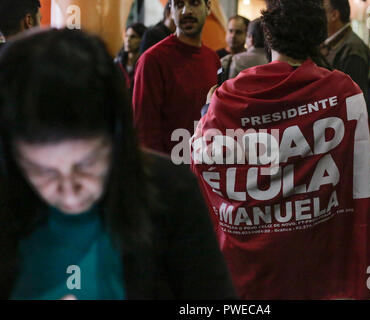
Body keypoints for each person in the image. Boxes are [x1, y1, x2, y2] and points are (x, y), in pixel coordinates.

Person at [0, 28, 235, 300]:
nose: (70, 191)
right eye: (43, 172)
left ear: (117, 143)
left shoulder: (169, 192)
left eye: (87, 164)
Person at [191, 0, 370, 300]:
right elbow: (358, 176)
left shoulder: (228, 96)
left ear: (268, 35)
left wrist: (206, 116)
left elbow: (202, 162)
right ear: (319, 38)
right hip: (315, 250)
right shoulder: (344, 93)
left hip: (250, 260)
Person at [133, 0, 221, 155]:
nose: (186, 11)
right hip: (169, 171)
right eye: (179, 5)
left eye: (194, 3)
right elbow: (144, 130)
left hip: (205, 168)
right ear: (171, 11)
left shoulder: (212, 59)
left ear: (207, 7)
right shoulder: (152, 60)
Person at [321, 0, 370, 118]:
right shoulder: (330, 44)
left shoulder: (352, 48)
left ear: (334, 15)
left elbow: (354, 99)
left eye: (322, 12)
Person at [115, 23, 147, 92]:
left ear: (142, 39)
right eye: (126, 36)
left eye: (133, 37)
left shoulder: (144, 64)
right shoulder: (117, 63)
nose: (128, 40)